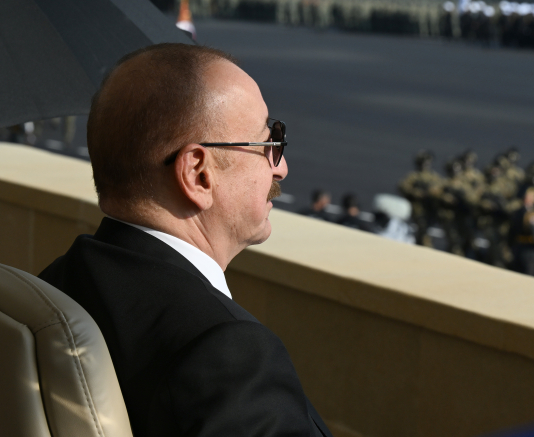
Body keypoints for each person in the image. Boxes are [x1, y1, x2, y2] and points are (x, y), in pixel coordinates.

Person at [38, 43, 332, 437]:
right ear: (198, 175)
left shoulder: (56, 282)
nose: (280, 167)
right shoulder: (226, 353)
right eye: (269, 142)